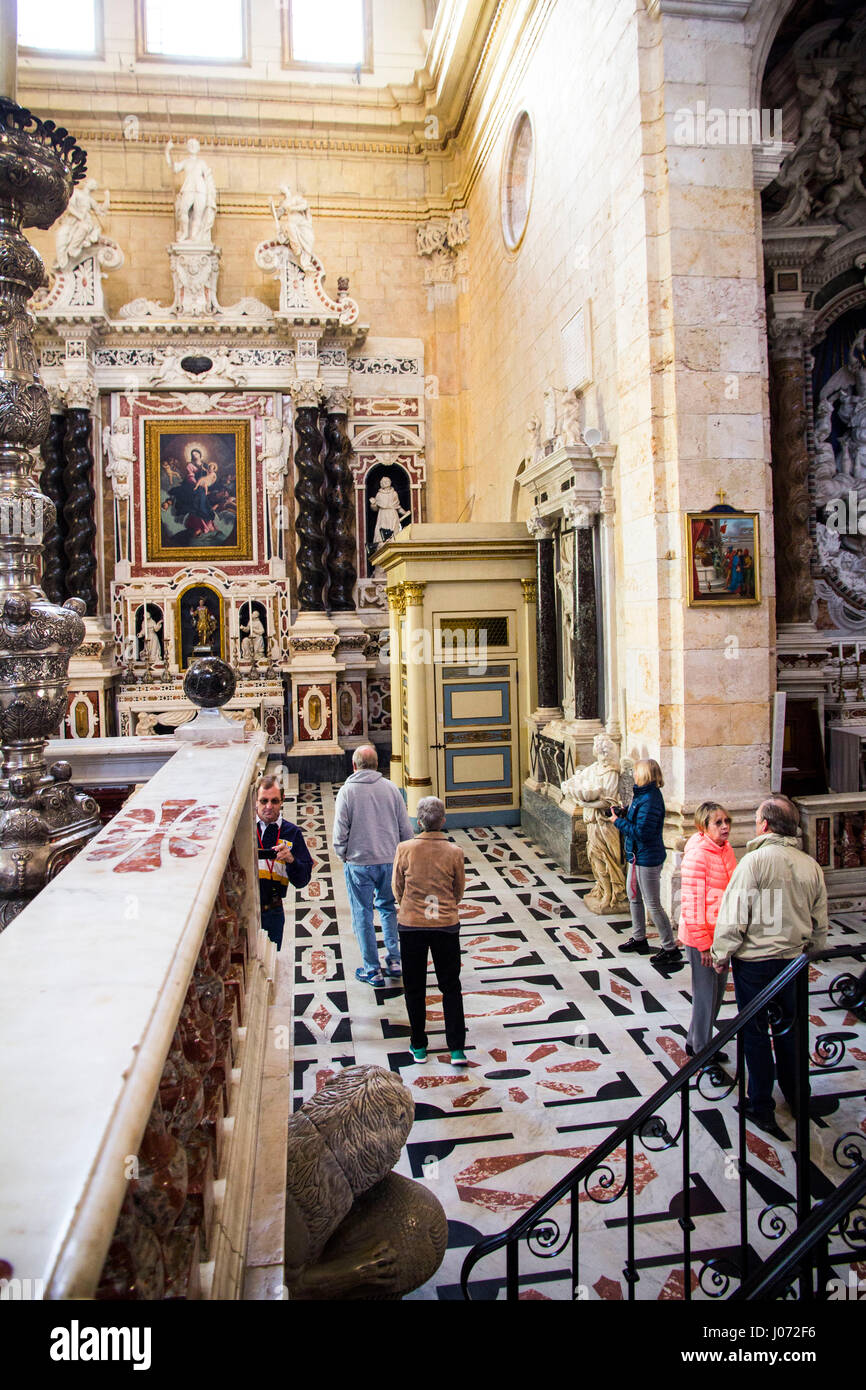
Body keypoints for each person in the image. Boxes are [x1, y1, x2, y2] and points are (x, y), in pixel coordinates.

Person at [712, 795, 828, 1135]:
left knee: (756, 1034)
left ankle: (761, 1104)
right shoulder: (809, 864)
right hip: (793, 963)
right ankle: (797, 1097)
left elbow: (735, 915)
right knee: (791, 1031)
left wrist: (721, 953)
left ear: (764, 825)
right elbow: (820, 919)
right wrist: (815, 951)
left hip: (756, 964)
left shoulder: (754, 862)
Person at [392, 797, 467, 1066]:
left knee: (414, 988)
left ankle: (419, 1045)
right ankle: (457, 1049)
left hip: (411, 926)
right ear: (443, 821)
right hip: (446, 926)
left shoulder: (405, 849)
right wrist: (447, 907)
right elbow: (459, 890)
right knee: (450, 987)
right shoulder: (454, 852)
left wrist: (411, 907)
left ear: (419, 821)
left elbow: (397, 889)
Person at [333, 745, 413, 987]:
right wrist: (399, 857)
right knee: (388, 908)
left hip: (359, 863)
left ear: (354, 766)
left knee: (362, 914)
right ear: (377, 765)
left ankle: (372, 969)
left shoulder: (347, 792)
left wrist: (344, 855)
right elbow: (406, 830)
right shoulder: (391, 789)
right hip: (389, 861)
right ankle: (395, 960)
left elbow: (340, 834)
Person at [678, 802, 737, 1059]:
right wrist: (703, 944)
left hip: (721, 935)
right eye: (718, 823)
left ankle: (696, 1040)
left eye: (727, 821)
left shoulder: (726, 849)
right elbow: (691, 904)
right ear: (704, 826)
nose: (725, 827)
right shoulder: (698, 855)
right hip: (701, 938)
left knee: (717, 995)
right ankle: (702, 1052)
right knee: (705, 997)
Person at [611, 758, 680, 965]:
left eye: (637, 772)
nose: (634, 775)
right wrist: (624, 813)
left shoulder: (650, 799)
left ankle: (670, 948)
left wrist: (618, 822)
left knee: (653, 904)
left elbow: (642, 833)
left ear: (646, 775)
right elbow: (638, 821)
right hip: (636, 854)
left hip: (646, 857)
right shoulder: (642, 795)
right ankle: (639, 938)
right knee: (633, 896)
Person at [255, 775, 313, 951]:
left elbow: (303, 880)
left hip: (273, 912)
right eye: (264, 801)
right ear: (255, 801)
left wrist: (291, 860)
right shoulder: (246, 828)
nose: (269, 807)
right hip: (248, 911)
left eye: (274, 801)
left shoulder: (291, 833)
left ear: (282, 800)